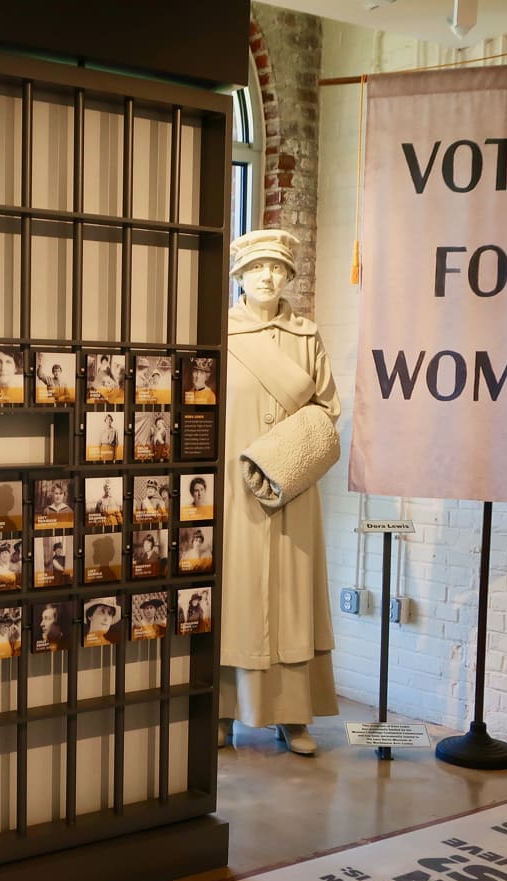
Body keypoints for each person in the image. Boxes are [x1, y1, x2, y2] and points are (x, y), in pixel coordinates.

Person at [218, 229, 338, 757]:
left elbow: (328, 410)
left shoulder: (307, 337)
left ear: (288, 276)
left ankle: (293, 716)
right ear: (240, 275)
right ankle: (224, 712)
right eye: (258, 267)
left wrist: (287, 458)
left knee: (292, 596)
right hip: (233, 487)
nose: (268, 276)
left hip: (291, 487)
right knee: (236, 594)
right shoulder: (219, 332)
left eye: (277, 268)